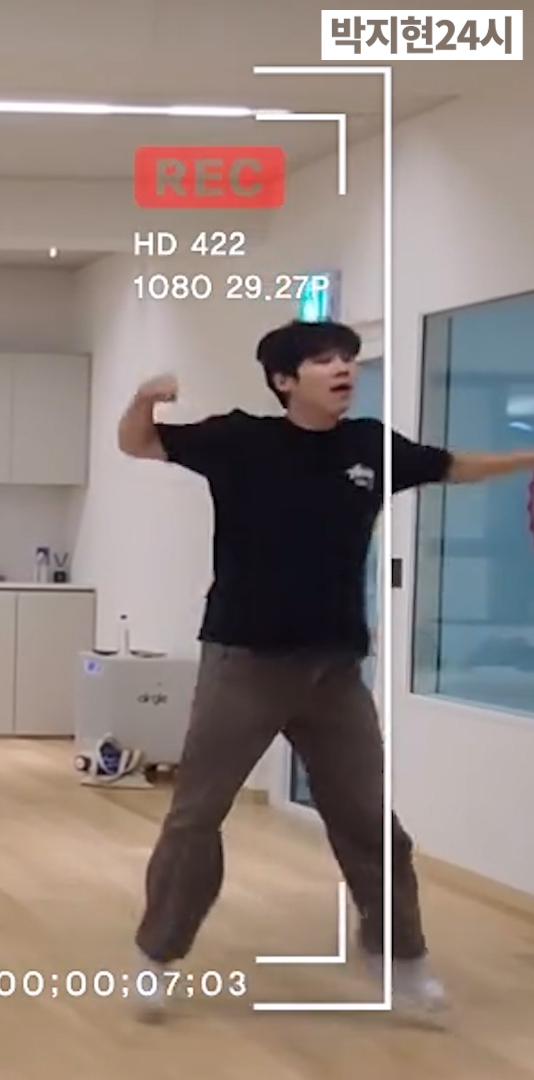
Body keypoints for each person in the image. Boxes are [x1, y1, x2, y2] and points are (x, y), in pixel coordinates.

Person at [118, 319, 534, 1019]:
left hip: (334, 672)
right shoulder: (239, 439)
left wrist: (527, 458)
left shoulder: (369, 446)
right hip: (244, 664)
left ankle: (402, 959)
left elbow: (454, 466)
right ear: (285, 380)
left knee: (372, 824)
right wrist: (144, 399)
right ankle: (156, 956)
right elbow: (139, 442)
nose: (344, 368)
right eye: (324, 360)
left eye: (349, 358)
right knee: (196, 818)